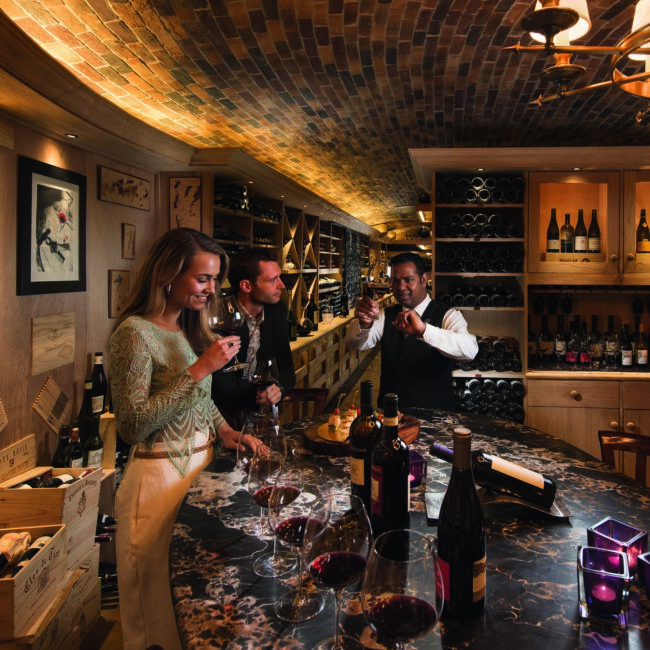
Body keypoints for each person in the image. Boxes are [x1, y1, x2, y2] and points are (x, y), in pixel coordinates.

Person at [108, 228, 262, 650]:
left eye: (215, 280)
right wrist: (200, 369)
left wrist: (224, 430)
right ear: (167, 274)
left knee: (196, 611)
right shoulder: (134, 334)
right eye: (202, 278)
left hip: (199, 474)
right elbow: (132, 425)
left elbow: (199, 402)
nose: (211, 290)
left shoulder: (186, 330)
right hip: (156, 483)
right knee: (158, 616)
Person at [346, 251, 478, 410]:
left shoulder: (448, 315)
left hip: (435, 415)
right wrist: (364, 323)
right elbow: (355, 344)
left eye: (408, 280)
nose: (401, 287)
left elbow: (470, 350)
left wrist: (424, 330)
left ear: (423, 280)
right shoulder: (386, 314)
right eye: (395, 281)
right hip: (391, 414)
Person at [211, 248, 295, 428]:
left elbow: (287, 368)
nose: (281, 285)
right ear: (247, 286)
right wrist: (261, 388)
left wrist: (278, 389)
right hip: (219, 419)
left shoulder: (277, 311)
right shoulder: (220, 316)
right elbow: (219, 385)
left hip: (259, 417)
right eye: (273, 280)